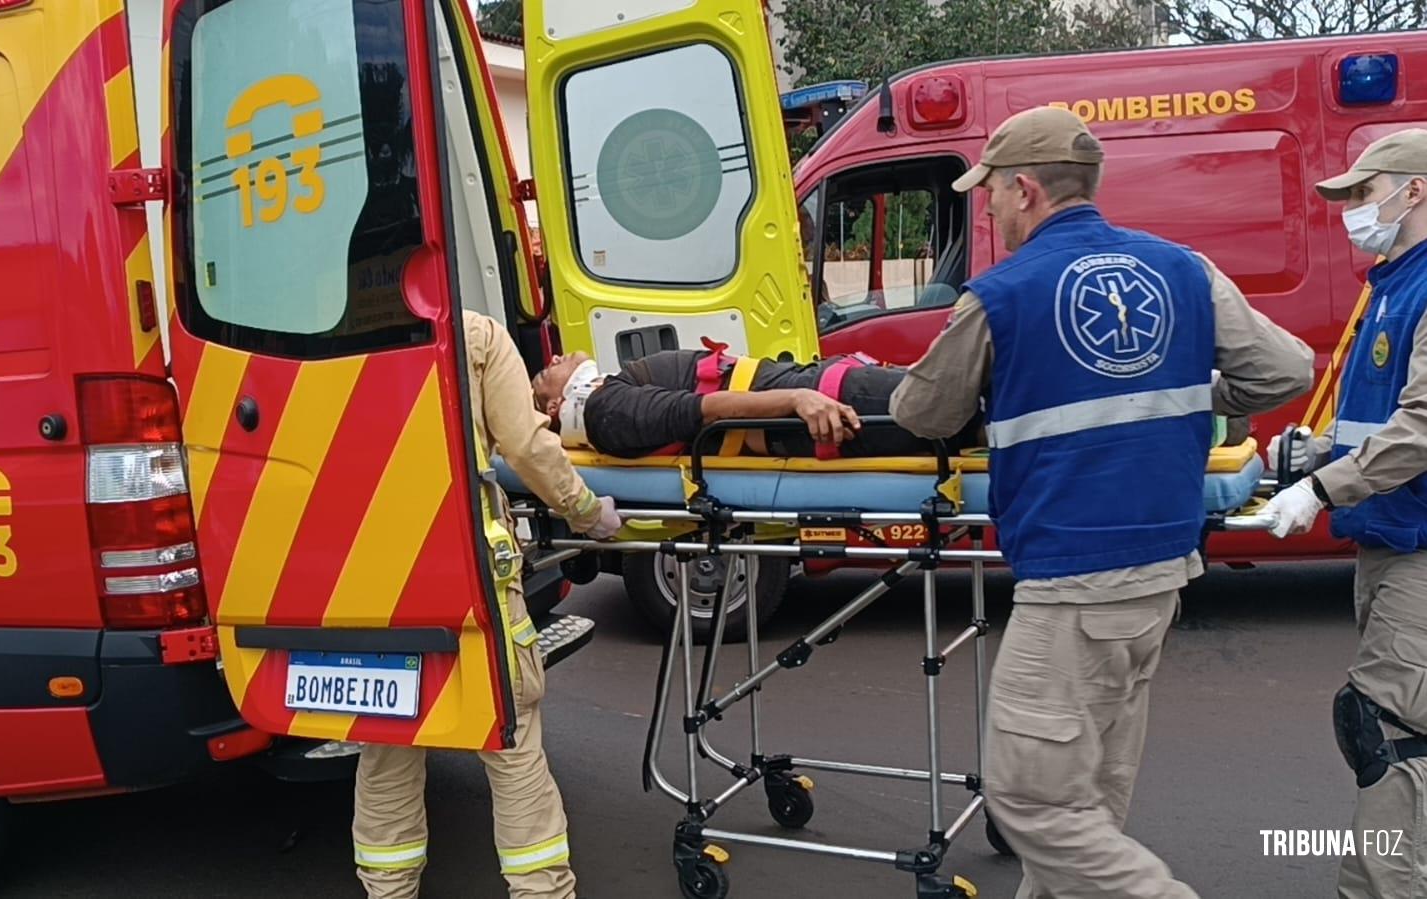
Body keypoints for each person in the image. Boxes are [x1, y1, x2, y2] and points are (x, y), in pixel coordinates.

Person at [888, 106, 1313, 898]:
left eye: (990, 194)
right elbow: (1284, 371)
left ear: (1024, 190)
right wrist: (1187, 391)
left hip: (1072, 579)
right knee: (1082, 809)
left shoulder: (1001, 293)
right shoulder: (1184, 268)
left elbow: (922, 413)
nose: (986, 209)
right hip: (1158, 572)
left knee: (1028, 802)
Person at [352, 310, 623, 899]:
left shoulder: (318, 340)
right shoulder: (473, 333)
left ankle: (387, 892)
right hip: (459, 570)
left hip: (361, 572)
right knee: (509, 732)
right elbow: (525, 444)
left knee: (388, 737)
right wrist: (586, 511)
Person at [1262, 129, 1427, 899]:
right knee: (1388, 727)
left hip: (1419, 549)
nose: (1351, 210)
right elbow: (1380, 422)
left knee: (1387, 732)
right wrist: (1314, 451)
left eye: (1363, 193)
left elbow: (1422, 428)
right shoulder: (1392, 282)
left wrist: (1320, 490)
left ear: (1413, 192)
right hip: (1388, 541)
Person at [528, 347, 983, 459]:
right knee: (968, 403)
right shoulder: (606, 412)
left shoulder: (612, 398)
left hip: (827, 391)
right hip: (830, 402)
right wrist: (802, 397)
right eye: (546, 373)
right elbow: (703, 411)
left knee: (971, 399)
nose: (552, 358)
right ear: (555, 408)